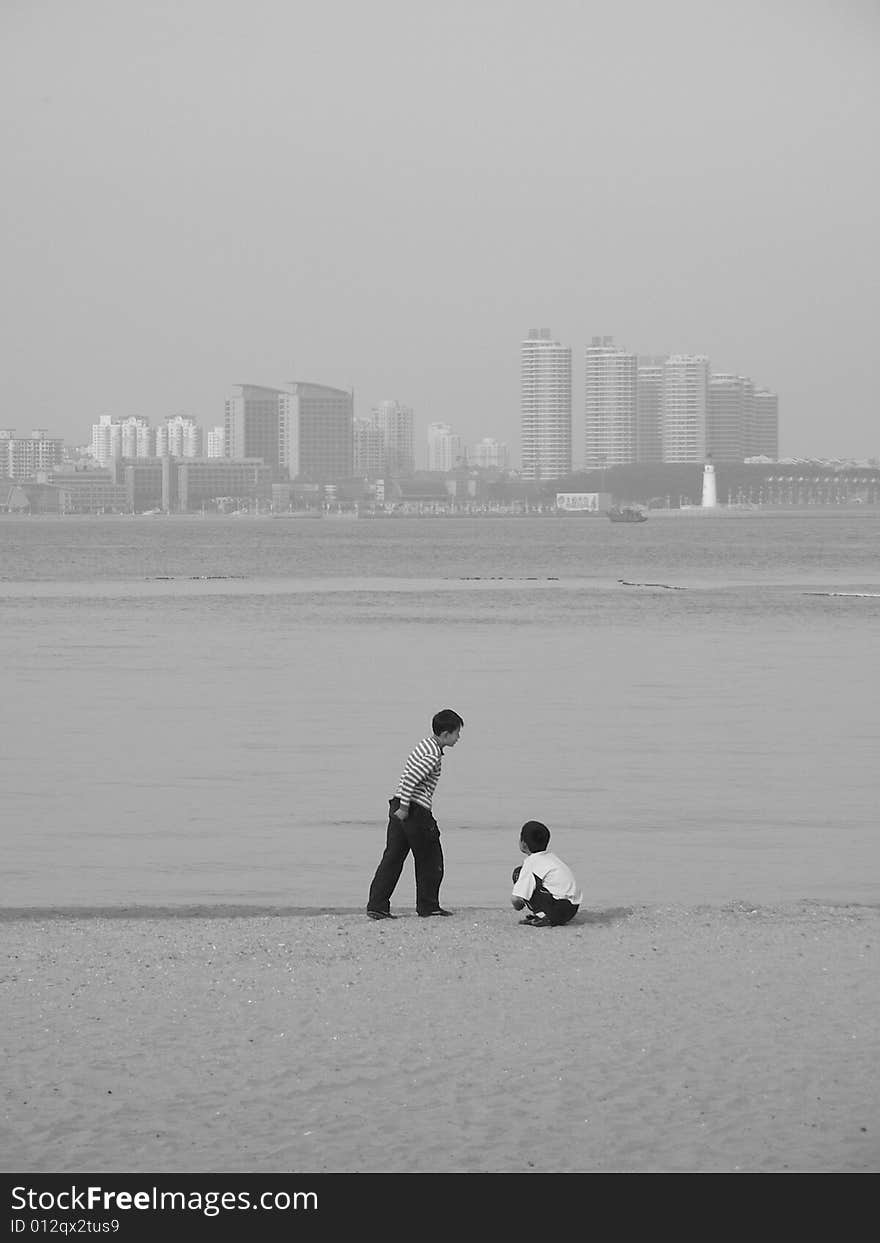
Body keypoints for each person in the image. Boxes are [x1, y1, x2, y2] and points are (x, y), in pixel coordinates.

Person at [366, 709, 464, 919]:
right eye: (457, 733)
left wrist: (400, 807)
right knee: (431, 858)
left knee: (393, 857)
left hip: (399, 805)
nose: (458, 738)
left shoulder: (425, 744)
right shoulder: (432, 754)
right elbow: (411, 779)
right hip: (413, 809)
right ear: (445, 734)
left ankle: (377, 905)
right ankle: (429, 906)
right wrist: (405, 808)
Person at [511, 820, 581, 927]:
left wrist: (520, 904)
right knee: (535, 881)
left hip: (557, 910)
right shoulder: (551, 857)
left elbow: (516, 899)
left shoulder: (531, 863)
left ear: (523, 844)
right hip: (572, 909)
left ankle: (543, 916)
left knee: (518, 874)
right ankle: (545, 915)